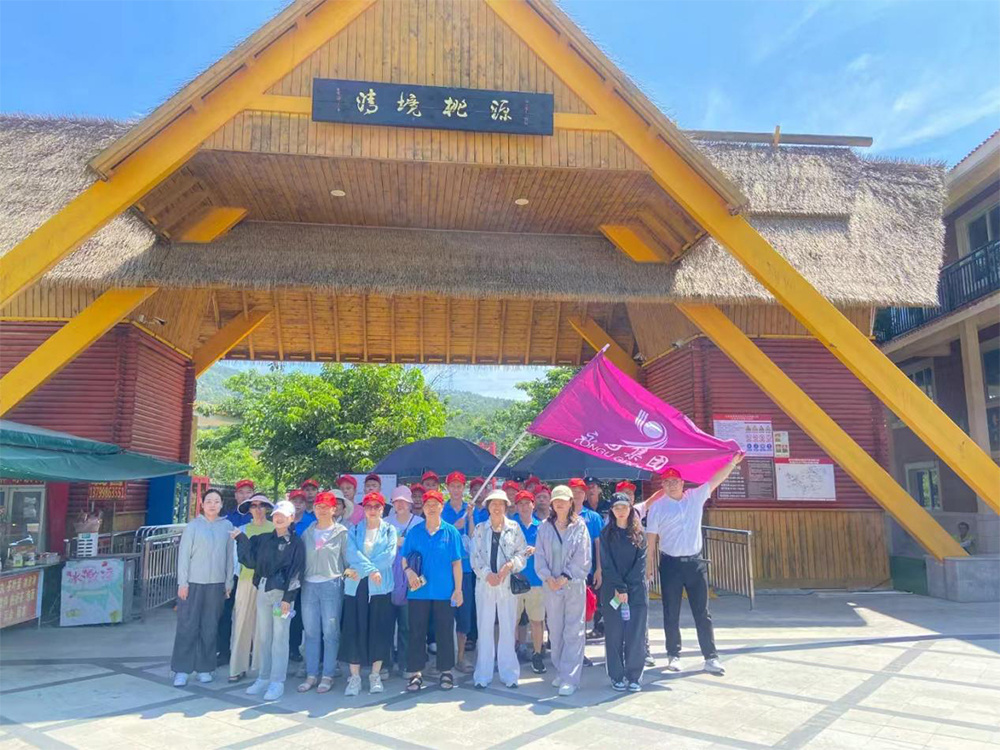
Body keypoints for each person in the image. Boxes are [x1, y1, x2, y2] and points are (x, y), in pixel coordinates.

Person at [645, 456, 743, 676]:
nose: (671, 485)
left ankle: (711, 657)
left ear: (682, 483)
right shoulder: (658, 508)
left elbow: (716, 479)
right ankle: (673, 655)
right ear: (662, 485)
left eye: (675, 481)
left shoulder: (695, 497)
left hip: (695, 564)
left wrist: (732, 463)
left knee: (702, 612)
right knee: (671, 611)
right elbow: (651, 541)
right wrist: (648, 567)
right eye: (667, 482)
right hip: (670, 564)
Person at [232, 499, 305, 701]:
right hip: (263, 589)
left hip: (282, 594)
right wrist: (240, 539)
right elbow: (250, 559)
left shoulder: (296, 543)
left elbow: (296, 571)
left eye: (284, 515)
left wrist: (288, 598)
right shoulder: (264, 539)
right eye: (276, 515)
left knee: (280, 638)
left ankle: (277, 681)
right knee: (264, 636)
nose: (279, 518)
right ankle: (264, 677)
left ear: (291, 518)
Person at [400, 489, 463, 692]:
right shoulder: (415, 532)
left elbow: (456, 563)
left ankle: (446, 671)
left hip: (444, 592)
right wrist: (409, 572)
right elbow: (404, 559)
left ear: (441, 507)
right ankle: (415, 672)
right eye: (428, 504)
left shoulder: (451, 532)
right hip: (418, 592)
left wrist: (459, 589)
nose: (432, 508)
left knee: (444, 631)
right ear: (423, 508)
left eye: (436, 504)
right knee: (416, 632)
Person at [171, 489, 234, 687]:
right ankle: (182, 669)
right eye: (209, 501)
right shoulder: (193, 526)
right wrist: (183, 582)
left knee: (210, 627)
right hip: (193, 583)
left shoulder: (227, 526)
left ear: (222, 504)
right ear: (202, 503)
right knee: (187, 626)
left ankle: (206, 668)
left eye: (216, 501)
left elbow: (230, 557)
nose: (213, 505)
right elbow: (183, 557)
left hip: (216, 585)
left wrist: (228, 582)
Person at [536, 485, 591, 696]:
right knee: (555, 629)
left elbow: (583, 557)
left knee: (574, 630)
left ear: (571, 503)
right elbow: (539, 556)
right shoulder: (544, 527)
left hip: (573, 584)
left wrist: (565, 576)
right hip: (550, 585)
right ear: (552, 503)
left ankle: (571, 677)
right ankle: (561, 669)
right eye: (556, 500)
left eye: (564, 500)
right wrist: (548, 577)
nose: (560, 503)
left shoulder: (580, 526)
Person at [471, 489, 528, 689]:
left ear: (506, 506)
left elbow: (522, 553)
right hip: (486, 584)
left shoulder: (514, 528)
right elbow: (475, 556)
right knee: (484, 628)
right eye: (493, 503)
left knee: (507, 628)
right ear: (488, 507)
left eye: (500, 504)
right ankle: (482, 674)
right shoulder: (480, 528)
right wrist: (488, 574)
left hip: (506, 585)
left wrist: (510, 566)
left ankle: (509, 674)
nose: (497, 507)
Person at [342, 492, 397, 696]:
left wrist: (369, 569)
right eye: (369, 506)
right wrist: (371, 570)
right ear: (363, 509)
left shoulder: (390, 530)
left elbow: (389, 556)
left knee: (379, 630)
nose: (372, 510)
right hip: (356, 586)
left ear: (383, 509)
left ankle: (375, 674)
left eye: (377, 506)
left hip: (380, 586)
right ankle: (354, 677)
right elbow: (351, 553)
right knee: (353, 629)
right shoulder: (355, 529)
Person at [297, 490, 350, 694]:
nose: (322, 510)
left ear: (333, 509)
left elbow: (347, 561)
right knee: (310, 632)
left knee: (330, 633)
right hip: (309, 585)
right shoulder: (308, 532)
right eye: (318, 506)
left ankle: (327, 675)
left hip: (331, 585)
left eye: (326, 506)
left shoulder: (342, 533)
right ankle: (311, 674)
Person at [601, 493, 648, 692]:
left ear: (630, 509)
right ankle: (616, 675)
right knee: (614, 635)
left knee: (635, 635)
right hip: (613, 591)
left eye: (624, 507)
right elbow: (607, 564)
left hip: (636, 592)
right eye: (616, 508)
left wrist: (628, 587)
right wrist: (620, 588)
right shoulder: (606, 534)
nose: (620, 511)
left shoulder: (640, 534)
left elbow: (641, 564)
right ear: (612, 510)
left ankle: (634, 675)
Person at [229, 493, 274, 683]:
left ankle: (264, 668)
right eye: (253, 506)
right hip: (247, 580)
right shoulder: (241, 530)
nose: (257, 509)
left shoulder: (275, 529)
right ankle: (237, 667)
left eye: (261, 505)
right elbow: (235, 559)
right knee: (241, 623)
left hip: (268, 582)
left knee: (265, 626)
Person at [388, 485, 423, 677]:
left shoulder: (419, 523)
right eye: (396, 501)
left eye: (403, 501)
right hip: (388, 578)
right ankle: (385, 663)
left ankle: (405, 664)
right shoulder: (385, 522)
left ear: (410, 503)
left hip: (411, 580)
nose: (400, 504)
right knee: (385, 623)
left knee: (407, 624)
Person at [441, 471, 475, 671]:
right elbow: (440, 536)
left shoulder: (469, 509)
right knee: (445, 615)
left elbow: (473, 536)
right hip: (445, 571)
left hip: (466, 569)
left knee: (463, 614)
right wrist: (455, 526)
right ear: (447, 488)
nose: (455, 489)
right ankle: (446, 659)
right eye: (452, 486)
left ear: (464, 488)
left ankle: (461, 657)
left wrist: (469, 518)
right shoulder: (442, 510)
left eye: (459, 486)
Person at [513, 490, 546, 674]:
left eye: (528, 503)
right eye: (521, 503)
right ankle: (510, 654)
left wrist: (537, 549)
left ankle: (537, 654)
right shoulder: (510, 525)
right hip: (516, 580)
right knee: (513, 620)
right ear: (516, 506)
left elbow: (549, 551)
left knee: (536, 620)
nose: (524, 507)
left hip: (536, 580)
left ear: (533, 505)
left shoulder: (541, 527)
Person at [569, 477, 604, 647]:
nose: (577, 495)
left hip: (587, 572)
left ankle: (579, 649)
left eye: (580, 492)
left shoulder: (593, 517)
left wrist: (599, 569)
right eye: (574, 492)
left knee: (584, 611)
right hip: (565, 573)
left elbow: (598, 543)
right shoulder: (561, 515)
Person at [287, 489, 314, 665]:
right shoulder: (283, 520)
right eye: (294, 501)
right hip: (285, 575)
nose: (298, 504)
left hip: (305, 573)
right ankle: (288, 647)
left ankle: (297, 648)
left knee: (301, 613)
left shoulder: (312, 522)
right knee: (285, 612)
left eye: (301, 501)